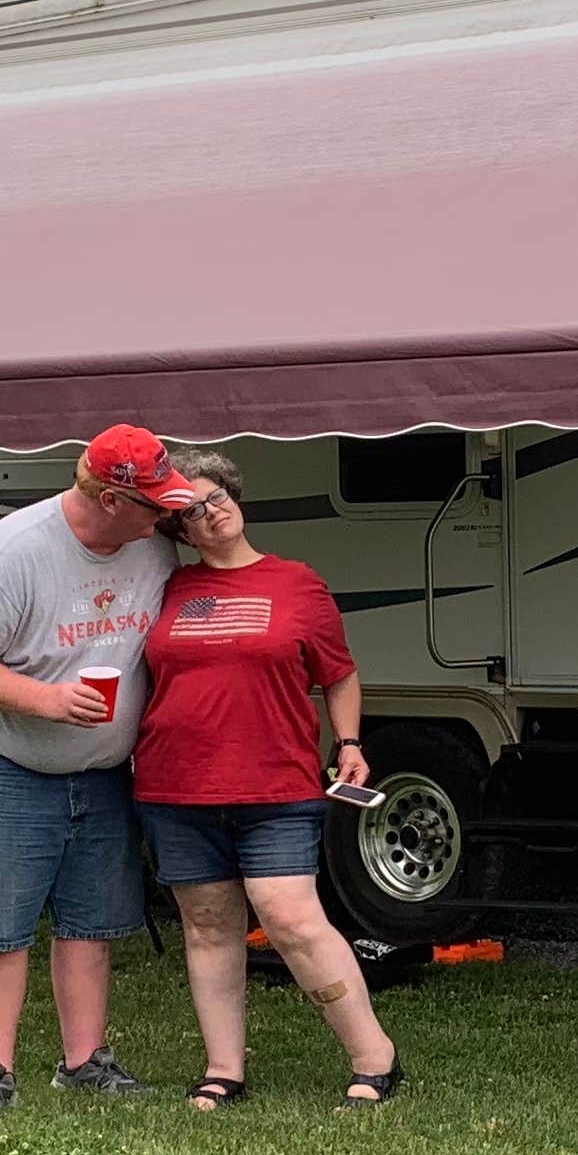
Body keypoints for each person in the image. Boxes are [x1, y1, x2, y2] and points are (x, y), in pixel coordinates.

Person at [0, 423, 204, 1112]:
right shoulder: (14, 553)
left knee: (93, 921)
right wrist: (48, 701)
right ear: (111, 499)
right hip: (5, 762)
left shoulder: (152, 550)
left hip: (104, 768)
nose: (166, 514)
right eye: (154, 504)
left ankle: (86, 1062)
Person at [134, 448, 405, 1109]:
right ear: (180, 533)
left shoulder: (296, 584)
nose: (208, 514)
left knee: (291, 919)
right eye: (189, 513)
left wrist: (348, 742)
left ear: (234, 497)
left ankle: (376, 1056)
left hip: (276, 784)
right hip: (176, 786)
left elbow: (338, 672)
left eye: (214, 498)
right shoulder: (168, 590)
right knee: (206, 926)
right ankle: (224, 1068)